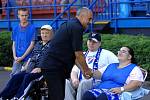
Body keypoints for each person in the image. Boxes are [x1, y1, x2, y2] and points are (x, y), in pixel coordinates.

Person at [34, 7, 93, 100]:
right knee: (58, 97)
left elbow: (74, 56)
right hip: (53, 68)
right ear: (82, 16)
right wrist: (87, 70)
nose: (90, 22)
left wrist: (83, 70)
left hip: (52, 67)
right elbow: (79, 54)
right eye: (89, 19)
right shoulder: (77, 27)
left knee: (56, 96)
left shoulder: (69, 24)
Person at [0, 25, 53, 100]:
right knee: (16, 77)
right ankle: (4, 96)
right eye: (42, 33)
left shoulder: (53, 45)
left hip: (42, 71)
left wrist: (41, 68)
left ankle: (18, 97)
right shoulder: (38, 44)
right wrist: (26, 66)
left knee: (27, 77)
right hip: (31, 68)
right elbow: (32, 56)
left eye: (47, 33)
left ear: (51, 34)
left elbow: (52, 60)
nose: (44, 35)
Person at [65, 32, 119, 100]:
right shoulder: (83, 54)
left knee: (84, 82)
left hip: (96, 82)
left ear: (99, 43)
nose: (91, 43)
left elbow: (118, 66)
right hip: (79, 80)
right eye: (90, 41)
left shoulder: (107, 54)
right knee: (66, 82)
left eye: (94, 42)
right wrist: (74, 79)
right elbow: (74, 70)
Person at [82, 46, 149, 100]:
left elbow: (137, 83)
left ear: (129, 57)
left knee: (103, 98)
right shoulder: (111, 65)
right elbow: (98, 74)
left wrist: (121, 89)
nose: (120, 52)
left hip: (118, 92)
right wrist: (90, 71)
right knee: (88, 95)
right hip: (102, 89)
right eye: (119, 51)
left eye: (123, 51)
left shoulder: (134, 69)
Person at [11, 8, 36, 76]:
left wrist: (22, 57)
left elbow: (32, 44)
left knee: (24, 78)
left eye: (26, 15)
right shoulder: (15, 28)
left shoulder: (32, 28)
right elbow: (14, 43)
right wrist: (14, 56)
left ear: (28, 16)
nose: (24, 17)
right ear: (18, 16)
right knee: (14, 77)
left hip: (27, 58)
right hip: (17, 58)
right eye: (22, 15)